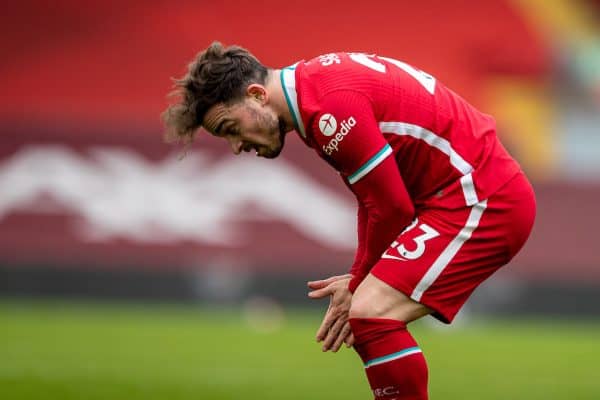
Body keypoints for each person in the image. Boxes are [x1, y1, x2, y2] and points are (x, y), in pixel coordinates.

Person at [161, 42, 536, 399]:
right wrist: (360, 275)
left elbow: (391, 208)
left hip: (482, 200)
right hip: (466, 196)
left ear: (257, 95)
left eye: (230, 129)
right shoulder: (314, 90)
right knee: (367, 312)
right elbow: (371, 200)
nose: (237, 146)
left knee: (370, 313)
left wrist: (358, 281)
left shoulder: (327, 110)